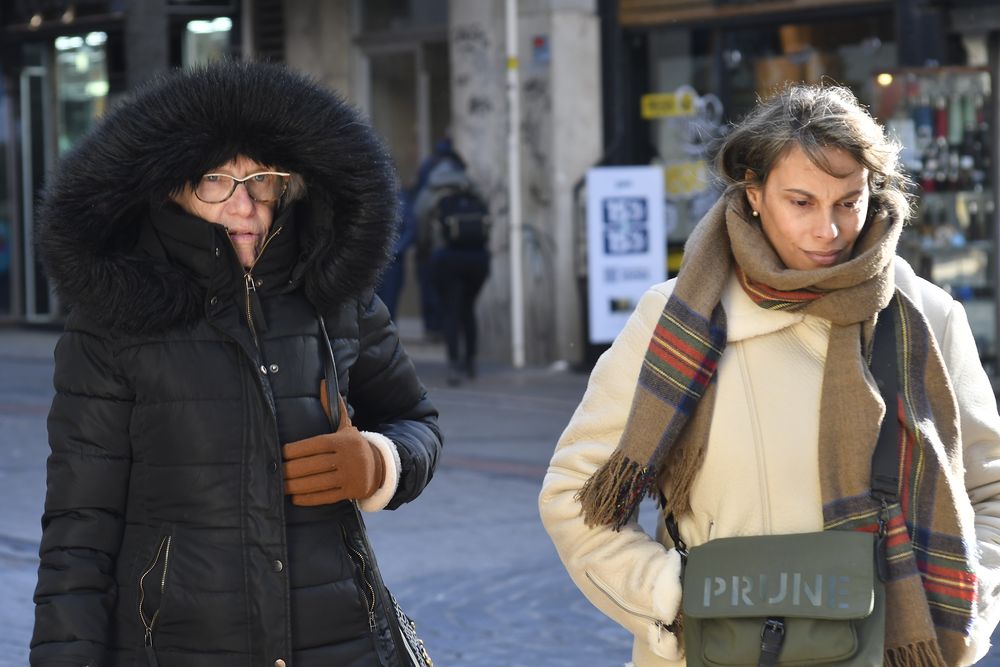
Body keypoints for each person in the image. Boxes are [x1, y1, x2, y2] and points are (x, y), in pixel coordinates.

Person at [539, 84, 1000, 666]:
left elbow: (991, 488)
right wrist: (679, 601)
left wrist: (961, 602)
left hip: (885, 651)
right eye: (801, 202)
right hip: (719, 650)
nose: (828, 231)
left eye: (848, 202)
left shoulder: (927, 317)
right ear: (754, 194)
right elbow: (574, 495)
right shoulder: (679, 317)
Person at [30, 61, 442, 667]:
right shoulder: (115, 319)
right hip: (176, 647)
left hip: (341, 641)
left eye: (262, 182)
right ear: (173, 189)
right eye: (215, 181)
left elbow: (417, 421)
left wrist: (381, 464)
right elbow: (78, 526)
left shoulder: (336, 298)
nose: (243, 208)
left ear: (290, 185)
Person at [414, 150, 491, 385]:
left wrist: (426, 250)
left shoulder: (432, 190)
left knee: (451, 309)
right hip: (477, 257)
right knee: (468, 309)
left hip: (447, 257)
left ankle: (454, 364)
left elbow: (421, 222)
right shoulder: (470, 186)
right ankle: (470, 362)